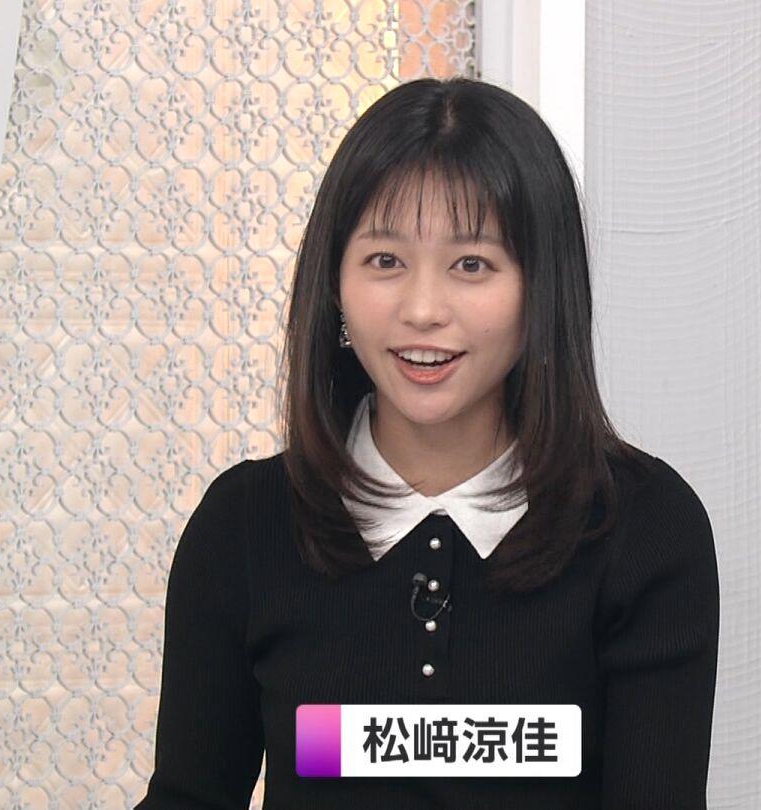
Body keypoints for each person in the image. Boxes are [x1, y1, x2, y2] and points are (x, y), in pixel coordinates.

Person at [135, 77, 719, 810]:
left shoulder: (644, 527)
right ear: (335, 285)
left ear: (541, 290)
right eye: (386, 261)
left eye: (472, 264)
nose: (422, 309)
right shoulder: (244, 524)